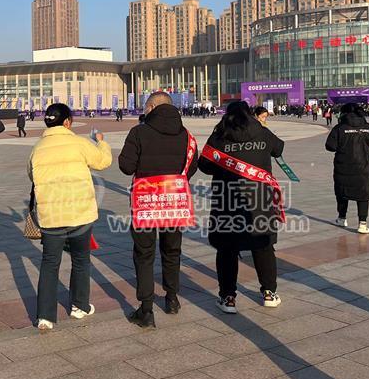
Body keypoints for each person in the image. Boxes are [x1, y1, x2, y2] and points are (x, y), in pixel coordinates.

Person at [118, 92, 198, 328]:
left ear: (151, 107)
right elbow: (191, 166)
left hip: (146, 201)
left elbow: (126, 165)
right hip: (174, 201)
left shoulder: (139, 132)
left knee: (144, 254)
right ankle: (172, 299)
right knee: (172, 250)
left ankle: (146, 309)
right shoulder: (186, 135)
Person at [29, 103, 112, 330]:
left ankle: (45, 316)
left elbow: (31, 174)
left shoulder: (38, 148)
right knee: (81, 260)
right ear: (67, 122)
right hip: (80, 214)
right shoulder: (79, 143)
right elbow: (103, 162)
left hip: (51, 216)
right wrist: (101, 141)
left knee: (49, 263)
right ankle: (79, 306)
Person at [199, 101, 285, 313]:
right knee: (263, 246)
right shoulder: (262, 133)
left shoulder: (220, 136)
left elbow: (204, 164)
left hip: (227, 200)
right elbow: (279, 148)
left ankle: (228, 298)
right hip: (259, 201)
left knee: (227, 248)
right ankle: (269, 293)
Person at [326, 103, 369, 234]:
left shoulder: (340, 128)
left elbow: (330, 146)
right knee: (363, 193)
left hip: (344, 166)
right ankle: (363, 224)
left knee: (342, 192)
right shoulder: (368, 127)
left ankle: (342, 218)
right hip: (364, 166)